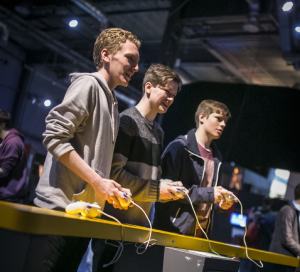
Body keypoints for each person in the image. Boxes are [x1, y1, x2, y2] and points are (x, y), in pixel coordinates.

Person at [34, 28, 141, 272]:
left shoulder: (112, 102)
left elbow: (93, 163)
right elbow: (54, 136)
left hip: (81, 217)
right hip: (59, 214)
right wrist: (97, 181)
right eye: (129, 59)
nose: (135, 68)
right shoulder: (88, 85)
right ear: (106, 54)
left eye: (137, 63)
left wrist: (108, 185)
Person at [92, 63, 185, 271]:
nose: (170, 98)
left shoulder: (158, 132)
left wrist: (167, 185)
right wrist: (156, 190)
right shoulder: (127, 122)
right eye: (167, 91)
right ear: (149, 86)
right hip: (114, 229)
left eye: (174, 95)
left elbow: (149, 178)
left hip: (139, 231)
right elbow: (114, 175)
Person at [153, 100, 236, 237]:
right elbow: (170, 191)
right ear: (202, 117)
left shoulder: (216, 157)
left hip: (201, 234)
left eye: (225, 121)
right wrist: (210, 194)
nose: (223, 124)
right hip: (173, 231)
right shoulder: (179, 147)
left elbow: (203, 200)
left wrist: (219, 205)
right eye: (219, 118)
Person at [0, 109, 27, 203]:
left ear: (2, 125)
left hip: (8, 198)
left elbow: (4, 171)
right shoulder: (5, 141)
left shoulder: (12, 142)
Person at [269, 183, 300, 262]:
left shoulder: (295, 212)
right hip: (281, 260)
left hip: (288, 260)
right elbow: (287, 239)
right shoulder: (288, 210)